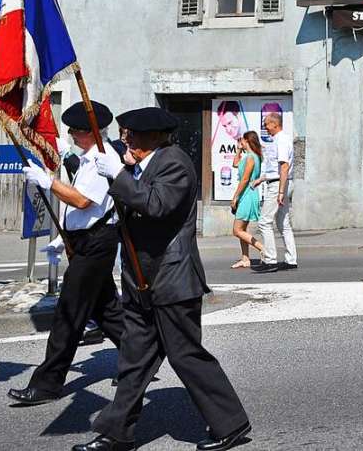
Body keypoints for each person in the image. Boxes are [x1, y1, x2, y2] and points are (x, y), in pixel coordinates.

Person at [80, 106, 251, 451]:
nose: (124, 139)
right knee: (134, 359)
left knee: (186, 354)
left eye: (130, 135)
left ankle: (231, 423)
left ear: (151, 137)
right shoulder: (139, 167)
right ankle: (117, 432)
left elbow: (156, 205)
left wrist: (120, 175)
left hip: (172, 279)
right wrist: (118, 175)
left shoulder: (174, 163)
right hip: (142, 282)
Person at [8, 101, 125, 407]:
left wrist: (48, 182)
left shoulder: (102, 158)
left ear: (93, 132)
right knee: (106, 310)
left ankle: (47, 384)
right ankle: (139, 357)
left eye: (77, 130)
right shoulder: (88, 158)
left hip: (97, 244)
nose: (72, 134)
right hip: (87, 240)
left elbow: (84, 202)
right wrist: (65, 238)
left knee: (69, 313)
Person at [253, 111, 297, 273]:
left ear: (275, 124)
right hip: (278, 182)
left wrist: (280, 192)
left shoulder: (282, 140)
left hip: (279, 184)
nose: (265, 127)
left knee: (264, 221)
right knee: (283, 223)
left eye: (266, 124)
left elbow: (284, 167)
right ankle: (291, 260)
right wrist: (261, 179)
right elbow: (275, 169)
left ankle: (270, 260)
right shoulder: (277, 140)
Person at [230, 131, 264, 268]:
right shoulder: (249, 156)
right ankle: (245, 258)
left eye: (242, 141)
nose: (240, 143)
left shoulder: (251, 157)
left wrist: (235, 196)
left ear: (247, 141)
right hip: (248, 194)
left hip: (247, 194)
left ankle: (263, 249)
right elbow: (235, 163)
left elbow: (245, 179)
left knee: (237, 230)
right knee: (242, 229)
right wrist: (238, 150)